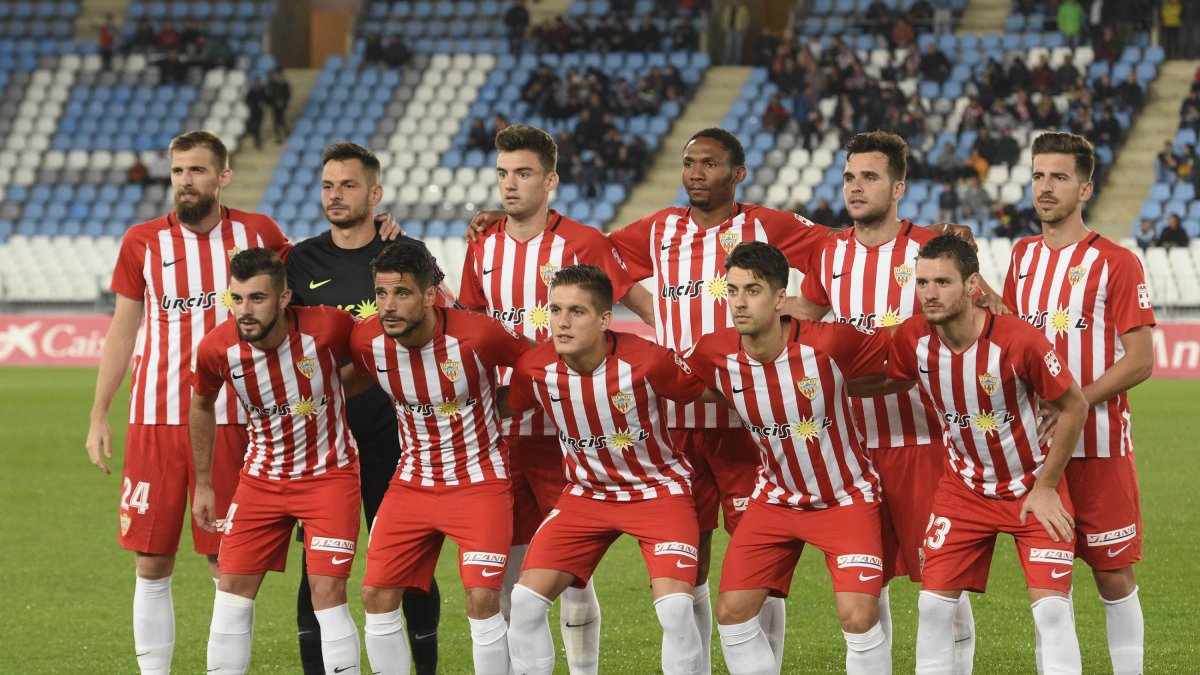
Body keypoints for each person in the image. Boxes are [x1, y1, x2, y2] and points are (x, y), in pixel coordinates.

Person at [787, 131, 998, 671]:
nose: (855, 187)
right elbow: (806, 318)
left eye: (870, 177)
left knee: (942, 590)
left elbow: (993, 317)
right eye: (849, 177)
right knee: (866, 589)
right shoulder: (829, 253)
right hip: (852, 454)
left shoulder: (934, 250)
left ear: (899, 186)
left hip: (926, 444)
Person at [85, 130, 289, 674]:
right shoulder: (142, 241)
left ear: (223, 176)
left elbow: (308, 283)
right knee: (151, 560)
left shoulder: (259, 233)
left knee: (227, 562)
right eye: (178, 171)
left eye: (197, 170)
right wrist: (100, 414)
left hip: (232, 419)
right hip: (155, 418)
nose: (185, 181)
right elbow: (122, 332)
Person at [457, 124, 655, 674]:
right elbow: (471, 327)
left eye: (523, 173)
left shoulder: (583, 243)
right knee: (508, 570)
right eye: (503, 173)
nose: (510, 184)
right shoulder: (483, 244)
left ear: (550, 181)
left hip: (567, 436)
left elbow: (640, 308)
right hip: (501, 433)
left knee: (571, 574)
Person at [684, 242, 894, 674]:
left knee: (858, 617)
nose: (739, 302)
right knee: (733, 611)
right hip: (775, 499)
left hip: (845, 498)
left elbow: (900, 366)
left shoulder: (830, 343)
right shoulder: (714, 352)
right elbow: (673, 382)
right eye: (732, 290)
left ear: (781, 299)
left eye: (753, 290)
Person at [885, 234, 1089, 674]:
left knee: (1052, 613)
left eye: (943, 282)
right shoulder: (912, 338)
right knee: (932, 608)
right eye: (922, 283)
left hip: (1033, 487)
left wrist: (1047, 487)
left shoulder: (1019, 340)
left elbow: (1075, 406)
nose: (930, 293)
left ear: (972, 285)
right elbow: (888, 380)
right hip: (963, 490)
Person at [506, 264, 717, 675]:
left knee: (676, 608)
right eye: (555, 310)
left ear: (605, 319)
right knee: (524, 602)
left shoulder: (650, 361)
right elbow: (504, 405)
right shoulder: (534, 369)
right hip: (585, 496)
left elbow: (710, 393)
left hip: (658, 491)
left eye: (576, 311)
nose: (561, 322)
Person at [285, 142, 446, 675]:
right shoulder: (300, 260)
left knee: (408, 568)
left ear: (375, 194)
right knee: (318, 571)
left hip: (396, 439)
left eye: (348, 185)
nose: (336, 195)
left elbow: (442, 323)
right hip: (325, 443)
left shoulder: (406, 252)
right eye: (328, 185)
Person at [1004, 132, 1155, 675]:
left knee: (1113, 577)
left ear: (1085, 188)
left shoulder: (1117, 262)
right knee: (1049, 590)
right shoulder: (1022, 256)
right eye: (1039, 175)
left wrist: (1073, 403)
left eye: (1059, 177)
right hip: (1038, 455)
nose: (1045, 187)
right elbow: (1013, 332)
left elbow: (1141, 361)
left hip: (1100, 449)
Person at [349, 241, 531, 675]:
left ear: (430, 294)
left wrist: (506, 402)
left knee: (482, 599)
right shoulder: (366, 339)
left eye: (402, 293)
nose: (388, 306)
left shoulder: (478, 334)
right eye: (381, 293)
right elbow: (353, 377)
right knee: (376, 594)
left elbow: (537, 365)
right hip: (411, 481)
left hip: (479, 480)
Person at [190, 248, 362, 675]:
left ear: (284, 298)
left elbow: (374, 359)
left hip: (329, 477)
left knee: (327, 593)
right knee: (231, 590)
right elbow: (201, 404)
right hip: (261, 480)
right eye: (237, 298)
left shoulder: (328, 326)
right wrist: (204, 483)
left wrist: (335, 389)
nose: (244, 311)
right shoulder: (216, 348)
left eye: (257, 298)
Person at [267, 68, 291, 144]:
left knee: (280, 119)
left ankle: (286, 131)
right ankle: (278, 136)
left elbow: (287, 94)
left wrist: (284, 101)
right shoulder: (272, 84)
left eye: (277, 74)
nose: (276, 76)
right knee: (275, 121)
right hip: (274, 105)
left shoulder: (284, 84)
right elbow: (270, 94)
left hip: (281, 105)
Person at [245, 78, 266, 150]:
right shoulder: (251, 91)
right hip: (253, 112)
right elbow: (247, 100)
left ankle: (257, 141)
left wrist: (263, 104)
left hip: (259, 113)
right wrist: (250, 105)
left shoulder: (262, 91)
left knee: (257, 127)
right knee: (255, 127)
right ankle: (257, 142)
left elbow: (265, 99)